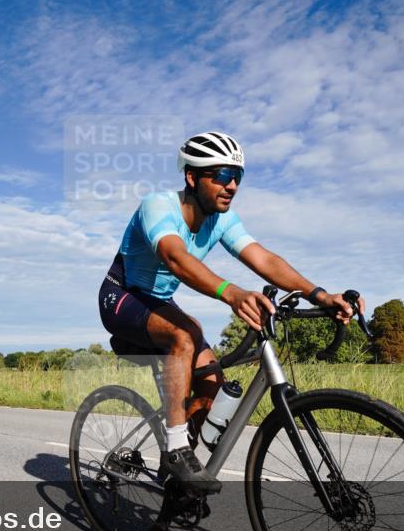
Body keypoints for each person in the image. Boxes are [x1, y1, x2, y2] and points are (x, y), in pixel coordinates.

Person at [98, 131, 363, 494]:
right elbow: (176, 258)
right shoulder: (157, 206)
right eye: (221, 174)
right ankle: (175, 449)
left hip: (160, 304)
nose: (232, 184)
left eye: (238, 176)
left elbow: (264, 259)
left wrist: (318, 294)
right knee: (184, 333)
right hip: (122, 297)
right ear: (192, 177)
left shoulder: (221, 220)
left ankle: (175, 466)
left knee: (212, 390)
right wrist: (231, 293)